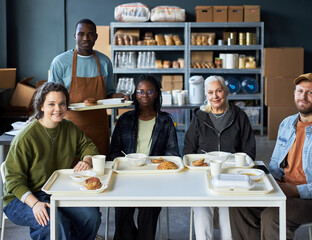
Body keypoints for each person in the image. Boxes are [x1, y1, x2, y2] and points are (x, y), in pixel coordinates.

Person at [229, 73, 312, 240]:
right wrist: (261, 181)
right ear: (294, 94)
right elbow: (274, 167)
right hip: (283, 189)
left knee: (273, 216)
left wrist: (296, 190)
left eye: (310, 92)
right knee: (238, 204)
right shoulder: (286, 124)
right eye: (299, 91)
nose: (303, 96)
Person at [3, 82, 102, 240]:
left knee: (91, 216)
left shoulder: (69, 128)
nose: (58, 109)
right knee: (53, 222)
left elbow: (88, 145)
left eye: (62, 104)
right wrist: (35, 204)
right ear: (41, 106)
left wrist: (87, 160)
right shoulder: (26, 137)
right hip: (22, 198)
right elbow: (13, 180)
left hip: (56, 190)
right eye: (51, 104)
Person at [183, 75, 256, 240]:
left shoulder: (239, 116)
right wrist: (197, 165)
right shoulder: (199, 117)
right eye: (210, 92)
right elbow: (188, 149)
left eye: (218, 91)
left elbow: (249, 150)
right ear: (206, 95)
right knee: (201, 207)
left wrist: (237, 166)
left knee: (228, 209)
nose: (215, 96)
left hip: (232, 177)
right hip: (203, 175)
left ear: (226, 92)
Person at [109, 74, 180, 240]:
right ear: (135, 94)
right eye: (140, 91)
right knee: (123, 208)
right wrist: (128, 164)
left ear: (156, 94)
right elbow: (114, 152)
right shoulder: (124, 119)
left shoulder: (165, 121)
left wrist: (157, 164)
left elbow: (173, 152)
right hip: (126, 177)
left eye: (149, 91)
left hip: (154, 178)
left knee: (148, 209)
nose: (144, 95)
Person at [48, 18, 124, 156]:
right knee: (71, 169)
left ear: (96, 37)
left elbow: (108, 93)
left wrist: (119, 97)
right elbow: (51, 98)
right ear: (75, 36)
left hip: (99, 128)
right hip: (70, 127)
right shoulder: (60, 62)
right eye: (81, 34)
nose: (86, 38)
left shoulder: (105, 61)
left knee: (100, 169)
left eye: (90, 34)